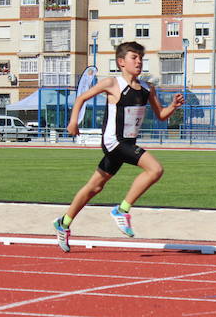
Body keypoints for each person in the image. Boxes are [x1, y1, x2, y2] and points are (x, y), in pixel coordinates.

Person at [53, 41, 184, 252]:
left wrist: (172, 106)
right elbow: (81, 98)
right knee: (155, 169)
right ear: (121, 62)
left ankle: (63, 223)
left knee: (95, 186)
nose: (139, 62)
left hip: (127, 144)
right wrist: (73, 121)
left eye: (141, 58)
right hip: (114, 142)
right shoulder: (112, 84)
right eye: (134, 58)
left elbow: (160, 116)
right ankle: (122, 210)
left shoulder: (147, 89)